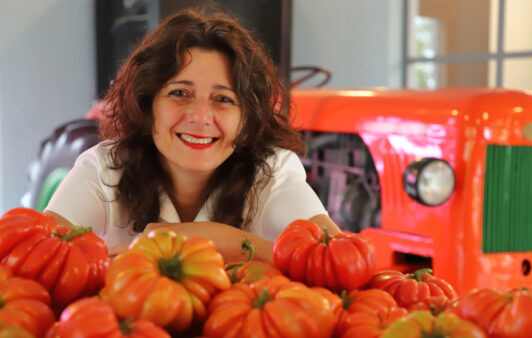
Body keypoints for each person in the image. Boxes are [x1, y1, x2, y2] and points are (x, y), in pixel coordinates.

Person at [44, 8, 341, 263]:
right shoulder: (105, 169)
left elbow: (335, 258)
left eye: (223, 99)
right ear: (148, 105)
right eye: (179, 93)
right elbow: (32, 257)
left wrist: (221, 240)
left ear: (246, 118)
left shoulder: (271, 171)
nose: (200, 117)